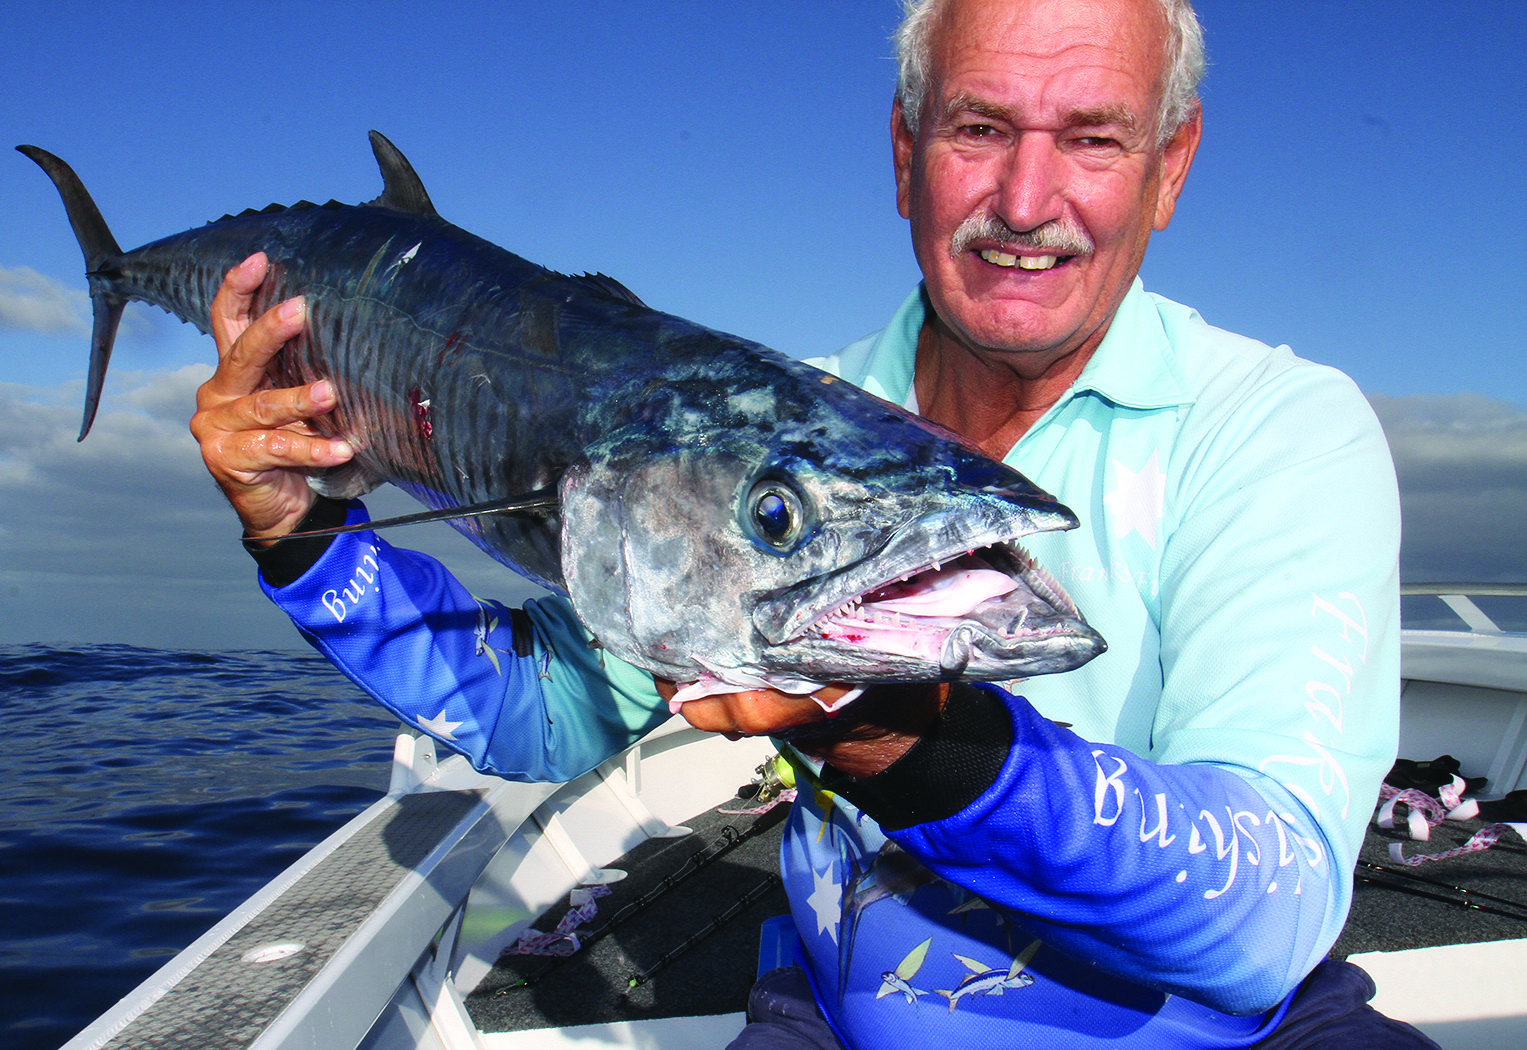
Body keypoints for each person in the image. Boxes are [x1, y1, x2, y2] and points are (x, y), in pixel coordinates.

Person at [191, 0, 1433, 1045]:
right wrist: (301, 534)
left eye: (1094, 137)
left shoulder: (1277, 429)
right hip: (841, 1011)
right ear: (904, 154)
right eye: (979, 127)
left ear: (1171, 167)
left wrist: (910, 745)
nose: (1026, 197)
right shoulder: (754, 424)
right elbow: (551, 713)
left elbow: (1269, 917)